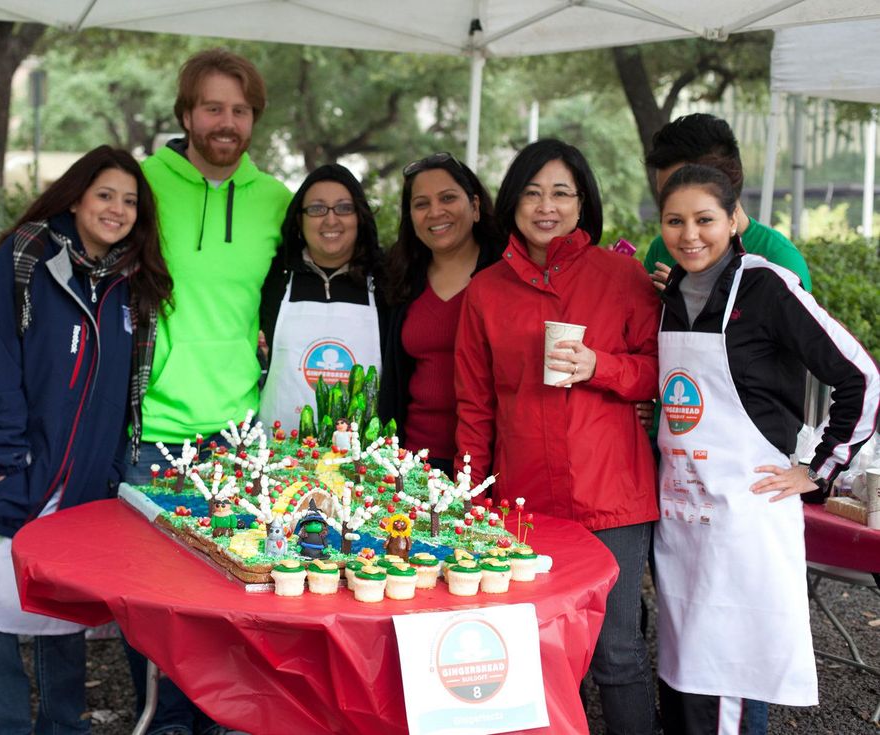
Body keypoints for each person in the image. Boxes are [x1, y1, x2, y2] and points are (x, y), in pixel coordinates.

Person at [0, 145, 171, 735]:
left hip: (79, 483)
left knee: (60, 615)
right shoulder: (28, 257)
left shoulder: (130, 284)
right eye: (105, 195)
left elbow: (123, 396)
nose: (117, 209)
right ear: (78, 197)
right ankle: (4, 727)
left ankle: (64, 726)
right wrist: (8, 460)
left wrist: (108, 471)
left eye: (130, 201)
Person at [653, 164, 879, 735]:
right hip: (683, 517)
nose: (690, 234)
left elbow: (862, 378)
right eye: (674, 221)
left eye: (705, 219)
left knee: (728, 677)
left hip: (746, 519)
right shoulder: (672, 293)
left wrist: (818, 470)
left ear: (734, 220)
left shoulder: (767, 286)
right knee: (684, 675)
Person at [454, 138, 661, 734]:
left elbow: (664, 373)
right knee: (532, 648)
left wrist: (603, 366)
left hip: (612, 496)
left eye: (562, 193)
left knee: (617, 650)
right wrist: (472, 500)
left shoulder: (621, 276)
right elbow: (475, 405)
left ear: (582, 202)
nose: (547, 206)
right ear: (512, 202)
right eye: (532, 192)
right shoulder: (487, 291)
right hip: (523, 502)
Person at [121, 48, 290, 735]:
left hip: (239, 434)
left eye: (241, 110)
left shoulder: (277, 199)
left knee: (230, 592)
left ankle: (223, 720)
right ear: (186, 113)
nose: (227, 122)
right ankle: (162, 723)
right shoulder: (141, 184)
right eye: (213, 107)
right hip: (152, 430)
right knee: (153, 599)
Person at [379, 153, 501, 474]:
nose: (435, 212)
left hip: (492, 467)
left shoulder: (508, 274)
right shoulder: (399, 278)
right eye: (421, 204)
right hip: (412, 463)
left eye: (448, 198)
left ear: (475, 207)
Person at [259, 164, 387, 429]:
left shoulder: (388, 281)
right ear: (299, 219)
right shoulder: (274, 278)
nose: (331, 220)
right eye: (317, 209)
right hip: (279, 456)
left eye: (343, 208)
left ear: (359, 216)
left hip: (365, 462)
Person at [642, 113, 812, 292]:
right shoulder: (662, 249)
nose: (688, 236)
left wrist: (689, 299)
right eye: (665, 197)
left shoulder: (778, 259)